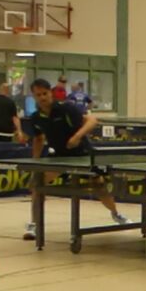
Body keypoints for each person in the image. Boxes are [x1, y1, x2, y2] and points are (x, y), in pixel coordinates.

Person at [25, 78, 129, 239]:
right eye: (38, 95)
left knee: (99, 187)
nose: (42, 97)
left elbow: (92, 121)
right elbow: (38, 139)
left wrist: (77, 137)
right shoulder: (36, 117)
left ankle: (116, 214)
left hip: (81, 154)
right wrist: (35, 162)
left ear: (51, 92)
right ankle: (34, 224)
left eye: (45, 93)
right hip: (59, 156)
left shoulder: (65, 108)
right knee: (37, 184)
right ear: (34, 96)